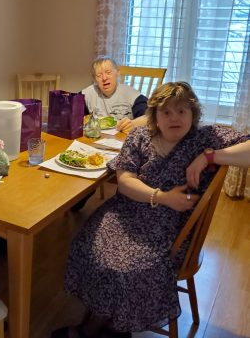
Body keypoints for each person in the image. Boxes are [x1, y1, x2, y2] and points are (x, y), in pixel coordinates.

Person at [53, 82, 250, 338]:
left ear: (193, 114)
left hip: (171, 226)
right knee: (87, 244)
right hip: (126, 211)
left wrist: (210, 157)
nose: (174, 118)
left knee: (126, 266)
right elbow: (124, 182)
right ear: (154, 116)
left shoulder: (204, 139)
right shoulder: (139, 137)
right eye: (166, 112)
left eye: (182, 111)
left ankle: (98, 328)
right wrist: (163, 197)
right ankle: (111, 319)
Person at [81, 56, 148, 133]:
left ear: (118, 73)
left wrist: (133, 124)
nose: (104, 78)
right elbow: (71, 111)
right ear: (95, 79)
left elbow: (150, 116)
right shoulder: (88, 93)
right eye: (99, 75)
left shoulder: (130, 94)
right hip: (97, 138)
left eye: (108, 73)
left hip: (122, 138)